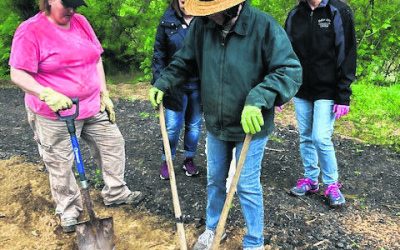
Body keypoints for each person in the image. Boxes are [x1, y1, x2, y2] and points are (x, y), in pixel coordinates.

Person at [149, 0, 302, 249]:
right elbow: (184, 61)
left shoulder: (264, 26)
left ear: (233, 6)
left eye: (212, 11)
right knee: (214, 180)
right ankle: (213, 229)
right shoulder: (202, 26)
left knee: (246, 185)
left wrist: (259, 98)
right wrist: (164, 81)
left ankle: (254, 241)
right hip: (217, 123)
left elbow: (289, 70)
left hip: (251, 126)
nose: (207, 16)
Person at [9, 0, 143, 233]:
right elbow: (17, 73)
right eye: (67, 4)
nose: (72, 10)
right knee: (60, 162)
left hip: (92, 105)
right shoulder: (30, 30)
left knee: (112, 144)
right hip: (55, 114)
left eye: (76, 5)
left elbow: (96, 58)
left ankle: (116, 192)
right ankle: (69, 209)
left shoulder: (80, 22)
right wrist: (45, 93)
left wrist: (104, 93)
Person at [284, 0, 356, 207]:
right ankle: (310, 179)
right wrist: (282, 89)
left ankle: (332, 184)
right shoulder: (295, 14)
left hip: (328, 89)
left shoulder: (338, 11)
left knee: (321, 137)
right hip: (302, 88)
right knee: (306, 136)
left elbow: (348, 53)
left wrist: (343, 94)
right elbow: (285, 54)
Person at [152, 0, 202, 180]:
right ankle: (167, 160)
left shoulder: (204, 19)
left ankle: (189, 159)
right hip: (174, 85)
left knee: (194, 127)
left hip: (198, 85)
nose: (185, 3)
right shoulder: (167, 21)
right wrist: (159, 84)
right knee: (172, 127)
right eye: (182, 0)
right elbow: (159, 55)